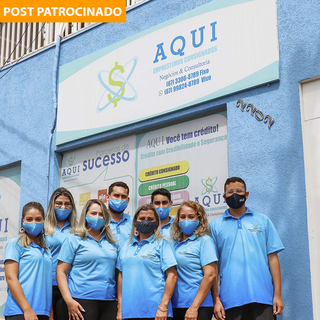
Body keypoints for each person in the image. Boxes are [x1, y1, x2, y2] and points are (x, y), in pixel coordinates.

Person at [210, 177, 284, 320]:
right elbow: (214, 265)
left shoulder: (263, 220)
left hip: (263, 297)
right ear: (224, 197)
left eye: (239, 191)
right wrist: (216, 299)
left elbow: (273, 258)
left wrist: (278, 295)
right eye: (230, 192)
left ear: (247, 194)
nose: (235, 194)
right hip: (230, 299)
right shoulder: (215, 226)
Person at [56, 199, 119, 320]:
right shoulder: (74, 239)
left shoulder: (113, 242)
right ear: (85, 215)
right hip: (80, 299)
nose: (97, 217)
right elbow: (61, 272)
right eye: (93, 213)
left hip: (108, 300)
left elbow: (117, 272)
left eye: (101, 214)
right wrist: (68, 300)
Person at [117, 204, 177, 320]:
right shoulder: (126, 246)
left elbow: (172, 275)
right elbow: (121, 275)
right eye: (142, 219)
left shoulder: (163, 243)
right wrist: (120, 308)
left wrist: (163, 307)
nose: (146, 222)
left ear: (156, 222)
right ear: (135, 221)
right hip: (129, 312)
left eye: (150, 219)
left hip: (156, 312)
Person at [4, 202, 52, 320]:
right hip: (21, 312)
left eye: (38, 219)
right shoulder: (15, 244)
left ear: (44, 221)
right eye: (29, 219)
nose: (34, 223)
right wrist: (27, 310)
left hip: (42, 312)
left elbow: (47, 283)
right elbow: (11, 278)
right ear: (22, 220)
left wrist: (50, 314)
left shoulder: (46, 249)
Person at [170, 201, 217, 320]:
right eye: (183, 217)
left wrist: (194, 307)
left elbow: (210, 275)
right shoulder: (175, 243)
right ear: (178, 220)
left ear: (199, 219)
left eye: (191, 217)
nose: (186, 220)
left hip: (199, 306)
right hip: (176, 305)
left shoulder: (204, 241)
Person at [45, 187, 78, 320]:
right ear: (52, 205)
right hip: (47, 283)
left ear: (72, 206)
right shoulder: (43, 227)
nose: (63, 207)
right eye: (59, 203)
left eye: (67, 204)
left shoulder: (78, 228)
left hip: (70, 285)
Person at [107, 182, 132, 247]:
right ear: (107, 197)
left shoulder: (133, 222)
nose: (120, 199)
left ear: (128, 200)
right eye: (116, 195)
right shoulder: (100, 221)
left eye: (123, 197)